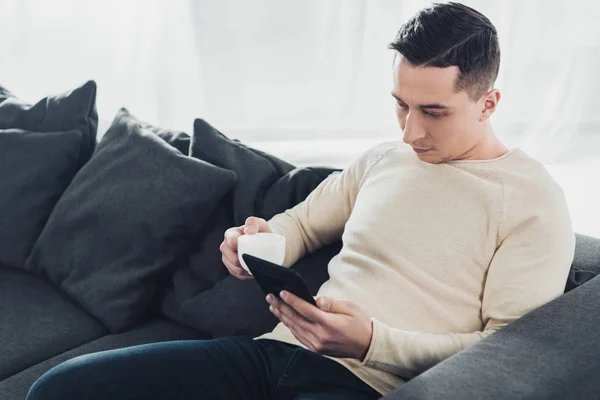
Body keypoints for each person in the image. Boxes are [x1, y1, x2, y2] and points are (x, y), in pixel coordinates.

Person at [26, 2, 576, 399]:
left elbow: (508, 352)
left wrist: (370, 343)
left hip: (368, 386)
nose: (410, 132)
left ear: (489, 102)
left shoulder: (532, 204)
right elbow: (302, 226)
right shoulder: (384, 159)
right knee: (60, 387)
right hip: (271, 354)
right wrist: (257, 244)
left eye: (433, 112)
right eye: (400, 106)